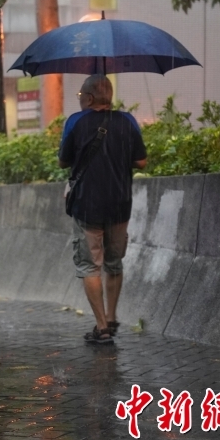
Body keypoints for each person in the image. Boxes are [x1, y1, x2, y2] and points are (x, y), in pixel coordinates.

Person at [59, 75, 147, 346]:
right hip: (120, 205)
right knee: (114, 262)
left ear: (88, 97)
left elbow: (64, 161)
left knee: (89, 266)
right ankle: (111, 316)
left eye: (80, 96)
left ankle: (101, 327)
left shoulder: (76, 121)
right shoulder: (128, 121)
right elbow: (141, 162)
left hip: (87, 206)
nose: (80, 100)